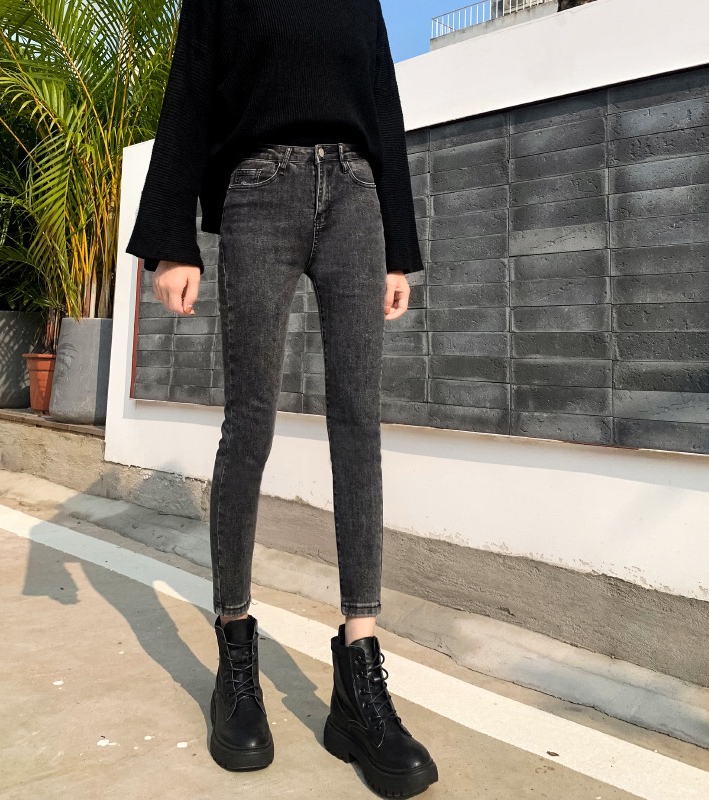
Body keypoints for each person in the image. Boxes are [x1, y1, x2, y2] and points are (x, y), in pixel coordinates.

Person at [126, 0, 438, 795]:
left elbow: (382, 101)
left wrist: (398, 250)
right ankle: (236, 654)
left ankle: (359, 674)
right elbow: (190, 89)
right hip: (257, 192)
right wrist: (170, 241)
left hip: (356, 197)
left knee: (358, 424)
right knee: (251, 423)